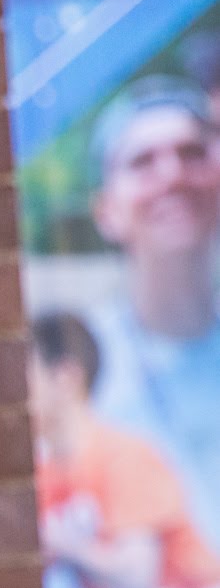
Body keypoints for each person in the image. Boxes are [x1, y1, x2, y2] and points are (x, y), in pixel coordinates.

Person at [83, 80, 220, 555]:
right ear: (107, 212)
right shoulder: (82, 369)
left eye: (192, 153)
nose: (173, 175)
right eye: (143, 162)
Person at [30, 308, 219, 588]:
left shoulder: (124, 456)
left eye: (24, 375)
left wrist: (66, 547)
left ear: (65, 377)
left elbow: (138, 576)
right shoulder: (43, 476)